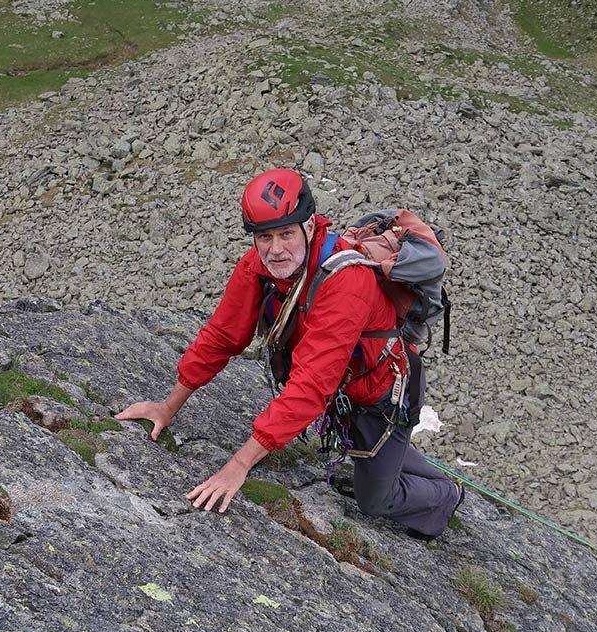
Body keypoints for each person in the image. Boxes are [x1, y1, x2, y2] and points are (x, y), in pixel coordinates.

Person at [115, 168, 462, 538]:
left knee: (376, 500)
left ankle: (447, 496)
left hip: (382, 393)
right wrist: (167, 408)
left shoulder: (347, 281)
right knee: (374, 456)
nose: (275, 249)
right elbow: (222, 337)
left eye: (286, 234)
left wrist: (239, 465)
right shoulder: (259, 267)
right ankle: (394, 461)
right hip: (346, 386)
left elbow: (310, 386)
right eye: (264, 237)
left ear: (309, 227)